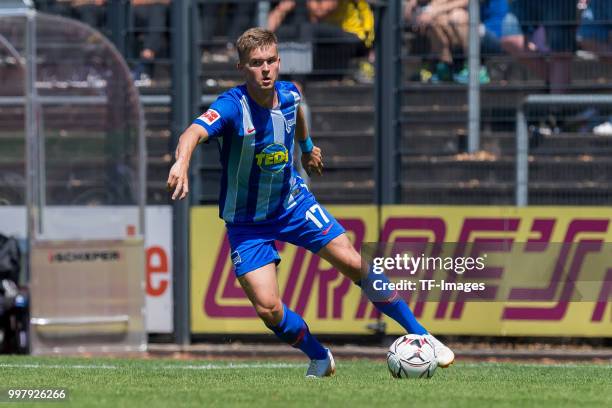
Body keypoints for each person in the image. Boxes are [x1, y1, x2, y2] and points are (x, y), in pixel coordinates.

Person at [166, 27, 454, 377]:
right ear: (242, 67)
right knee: (268, 308)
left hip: (292, 204)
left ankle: (423, 336)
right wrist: (181, 162)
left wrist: (306, 148)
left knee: (352, 261)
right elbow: (192, 132)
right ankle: (319, 356)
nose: (267, 69)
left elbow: (296, 115)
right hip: (246, 222)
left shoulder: (289, 93)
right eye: (257, 63)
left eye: (272, 60)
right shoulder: (231, 106)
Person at [268, 0, 374, 80]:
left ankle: (298, 82)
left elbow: (323, 9)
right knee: (283, 33)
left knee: (307, 28)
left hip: (356, 36)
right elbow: (268, 28)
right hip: (333, 36)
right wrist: (281, 9)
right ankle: (277, 78)